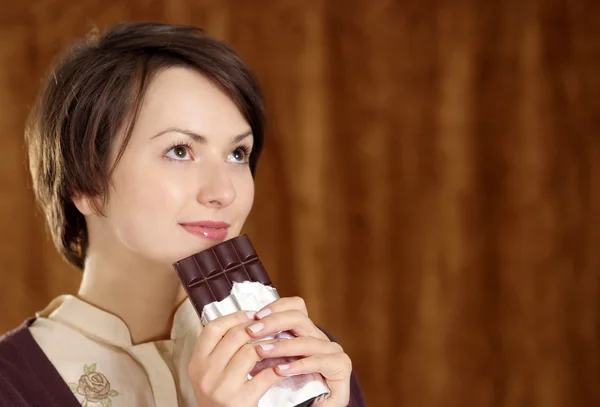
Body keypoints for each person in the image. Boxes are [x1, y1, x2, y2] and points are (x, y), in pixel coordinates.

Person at [0, 22, 366, 407]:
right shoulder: (13, 385)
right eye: (179, 150)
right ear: (85, 184)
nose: (224, 192)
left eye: (237, 154)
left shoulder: (307, 364)